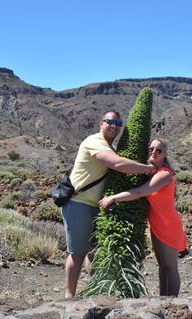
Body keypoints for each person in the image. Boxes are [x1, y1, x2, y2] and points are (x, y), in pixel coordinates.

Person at [61, 110, 156, 298]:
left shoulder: (109, 147)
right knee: (78, 252)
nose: (114, 126)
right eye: (110, 122)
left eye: (118, 123)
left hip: (98, 205)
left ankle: (94, 290)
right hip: (79, 203)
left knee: (94, 251)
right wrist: (148, 169)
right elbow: (118, 164)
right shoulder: (94, 142)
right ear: (101, 123)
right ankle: (69, 296)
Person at [99, 139, 187, 297]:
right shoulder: (154, 173)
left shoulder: (163, 175)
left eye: (158, 150)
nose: (153, 152)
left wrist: (114, 198)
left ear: (165, 154)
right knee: (162, 265)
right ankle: (164, 300)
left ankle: (173, 304)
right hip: (158, 224)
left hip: (167, 225)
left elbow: (140, 192)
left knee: (170, 268)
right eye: (151, 149)